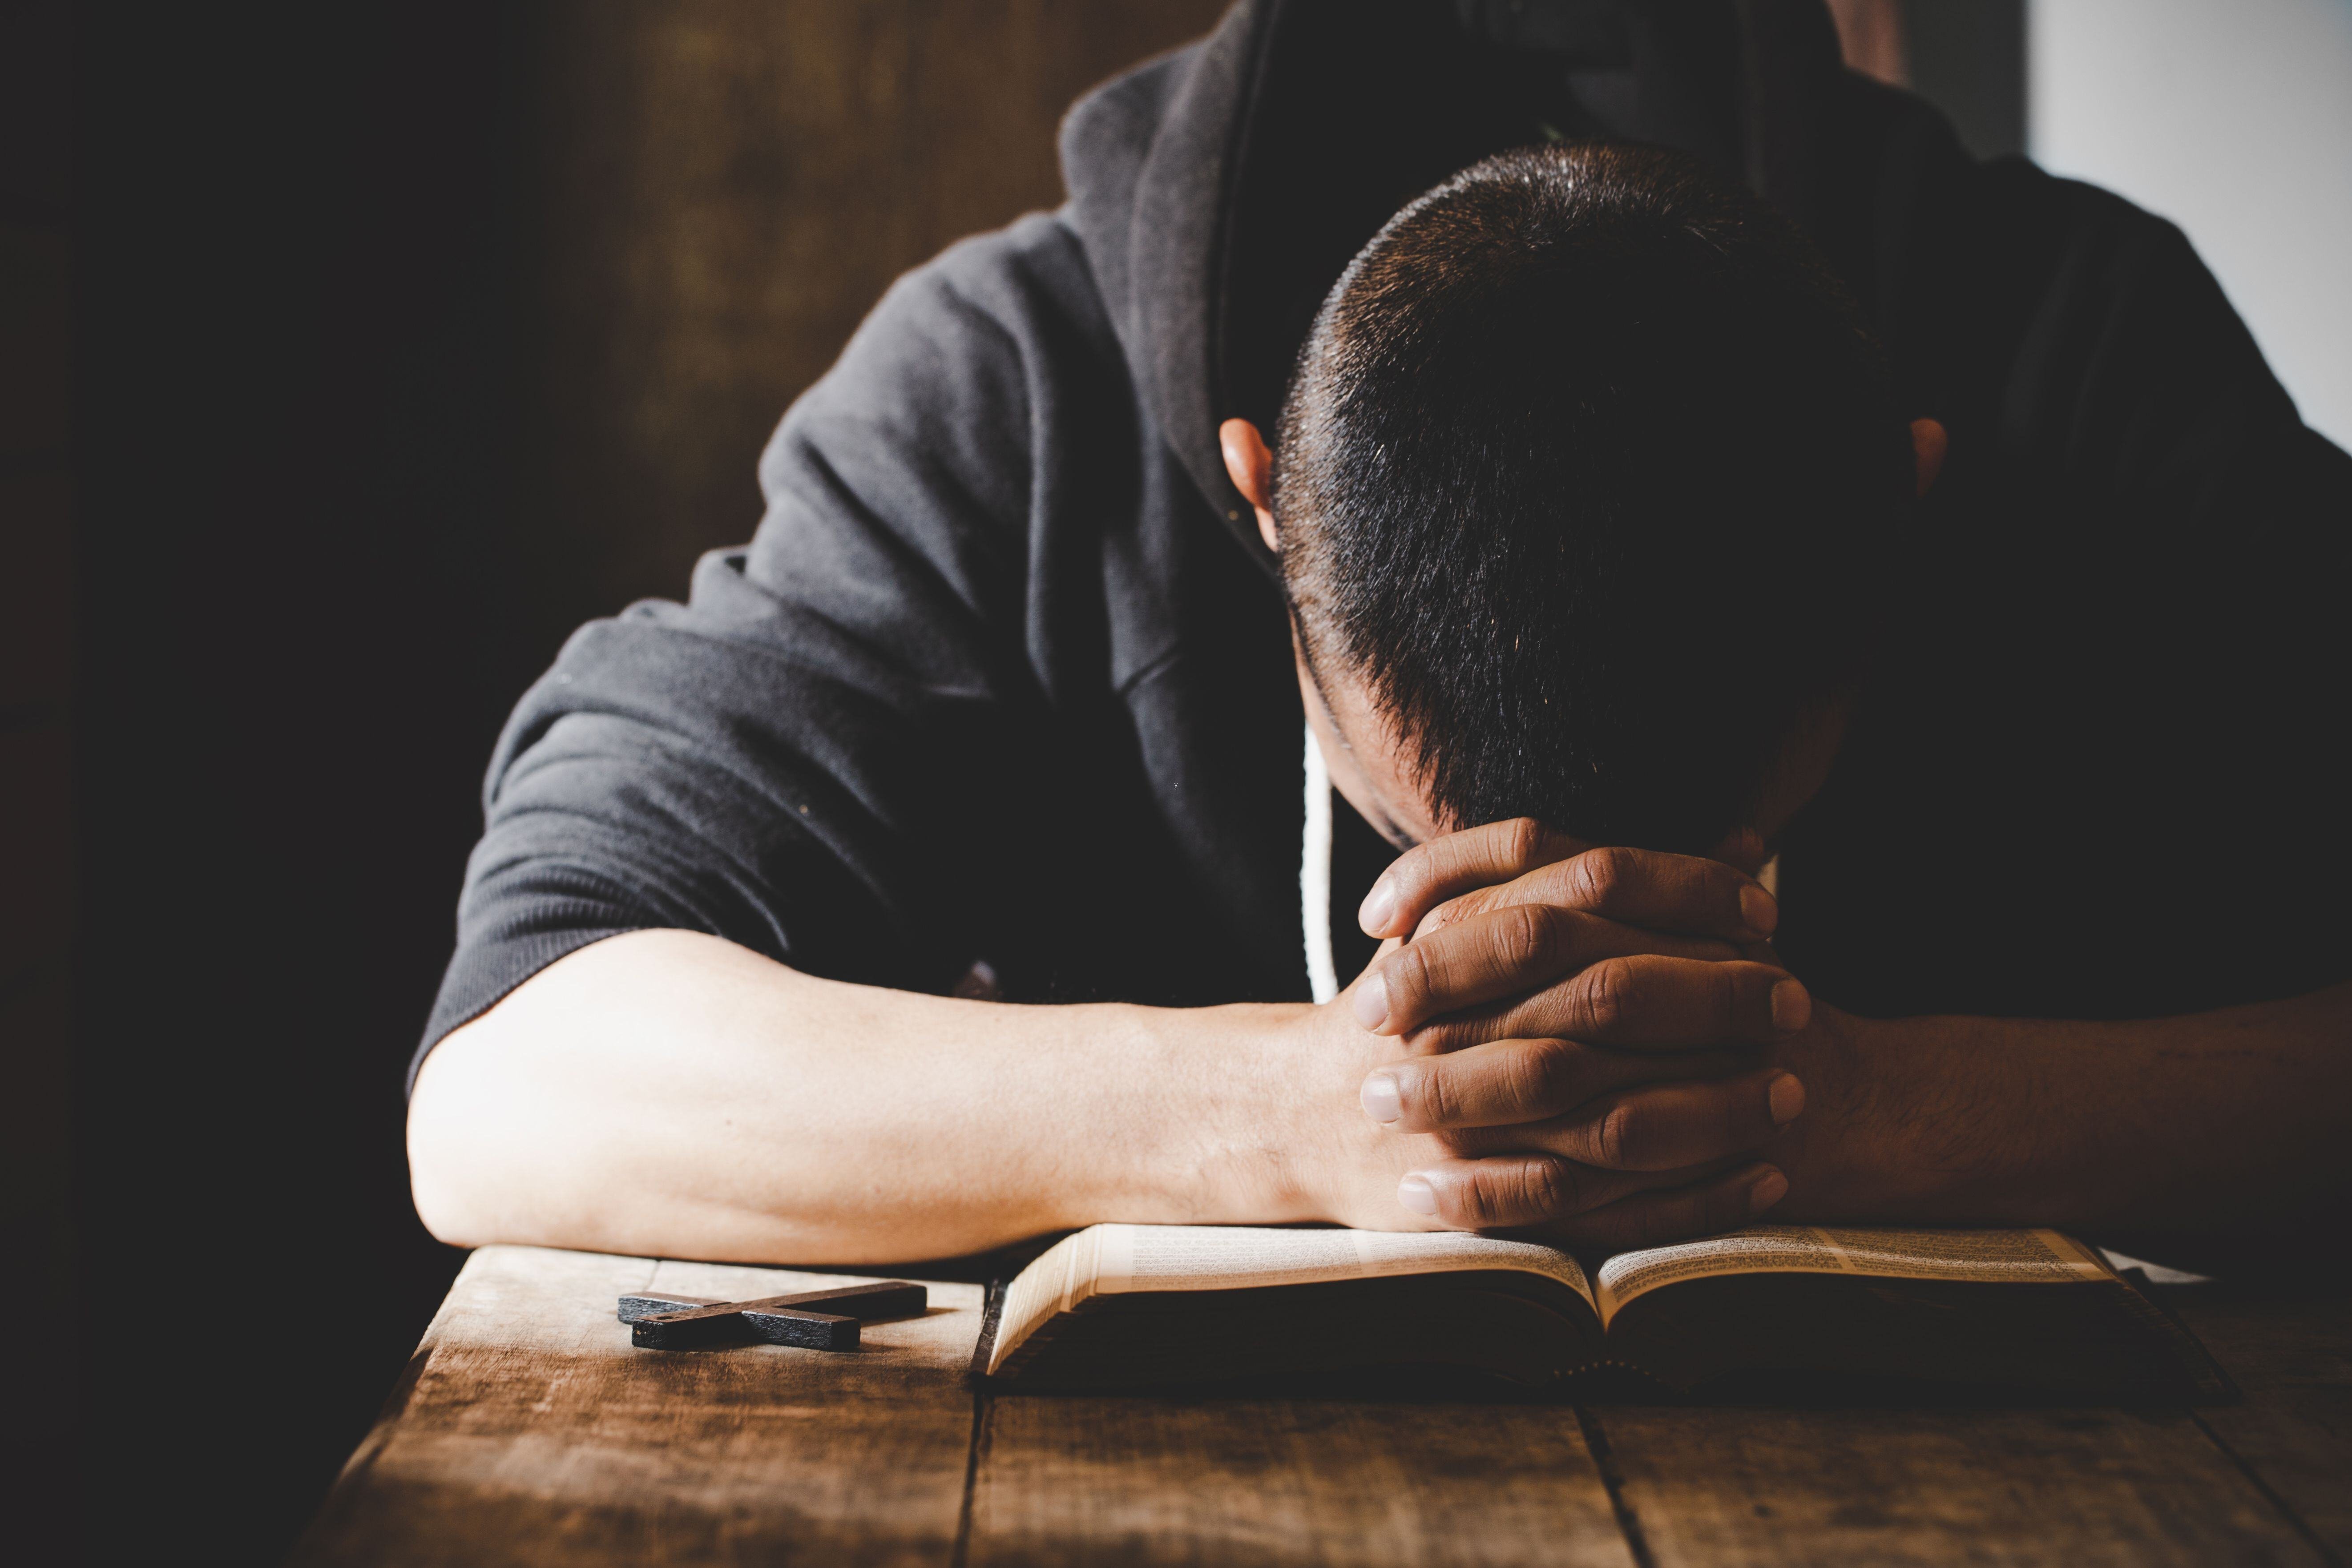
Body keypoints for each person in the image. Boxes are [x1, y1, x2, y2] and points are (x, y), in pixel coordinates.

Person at [406, 0, 2352, 1273]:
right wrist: (1304, 1106)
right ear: (1257, 506)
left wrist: (1852, 1113)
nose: (1564, 947)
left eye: (1706, 875)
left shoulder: (2073, 362)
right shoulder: (1013, 397)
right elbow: (510, 1083)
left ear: (1909, 501)